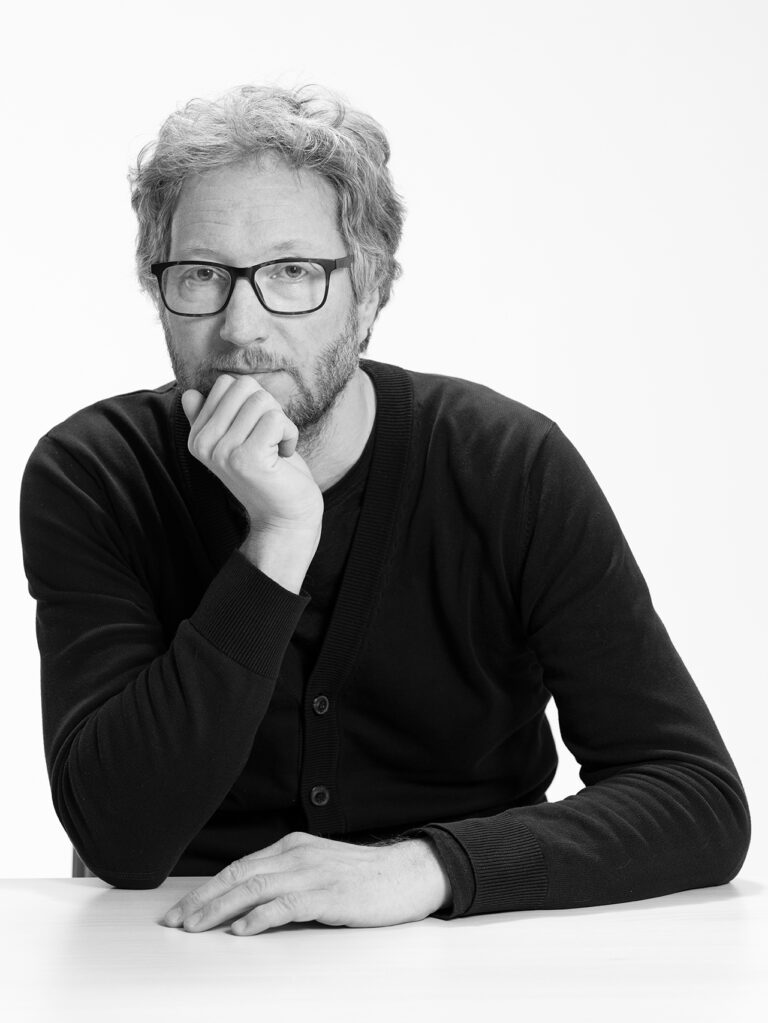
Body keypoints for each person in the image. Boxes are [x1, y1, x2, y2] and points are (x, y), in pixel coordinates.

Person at [19, 85, 750, 936]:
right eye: (202, 275)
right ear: (160, 291)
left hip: (475, 955)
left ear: (369, 293)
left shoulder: (508, 465)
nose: (241, 326)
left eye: (293, 272)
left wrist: (429, 866)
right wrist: (278, 539)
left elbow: (695, 796)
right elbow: (121, 840)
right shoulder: (96, 473)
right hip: (181, 953)